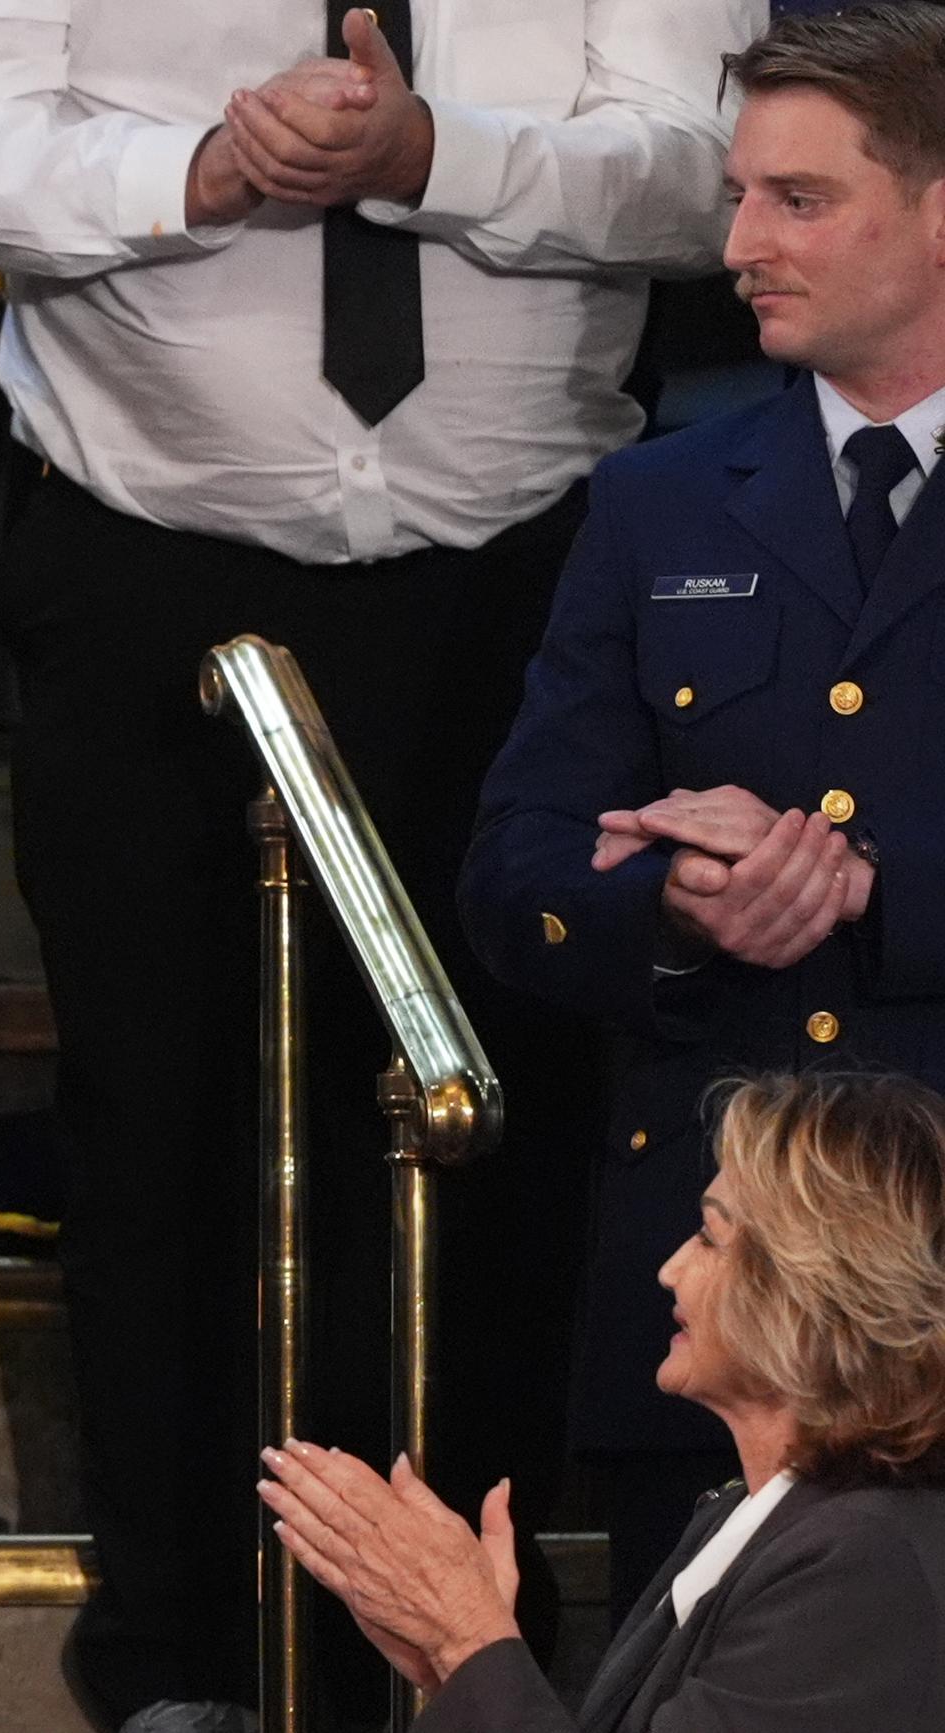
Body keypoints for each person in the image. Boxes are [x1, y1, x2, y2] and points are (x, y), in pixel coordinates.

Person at [0, 2, 760, 1724]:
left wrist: (437, 161)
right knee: (161, 1127)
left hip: (528, 585)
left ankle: (462, 1665)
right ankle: (177, 1658)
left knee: (497, 1134)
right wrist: (196, 168)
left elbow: (705, 172)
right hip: (146, 562)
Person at [462, 1, 945, 1626]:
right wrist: (671, 901)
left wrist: (869, 887)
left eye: (797, 200)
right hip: (710, 1305)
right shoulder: (658, 494)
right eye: (738, 194)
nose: (735, 242)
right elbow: (517, 868)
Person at [260, 1071, 945, 1729]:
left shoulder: (865, 1569)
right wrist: (457, 1668)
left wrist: (467, 1639)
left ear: (811, 1292)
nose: (671, 1268)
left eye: (710, 1237)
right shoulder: (754, 1518)